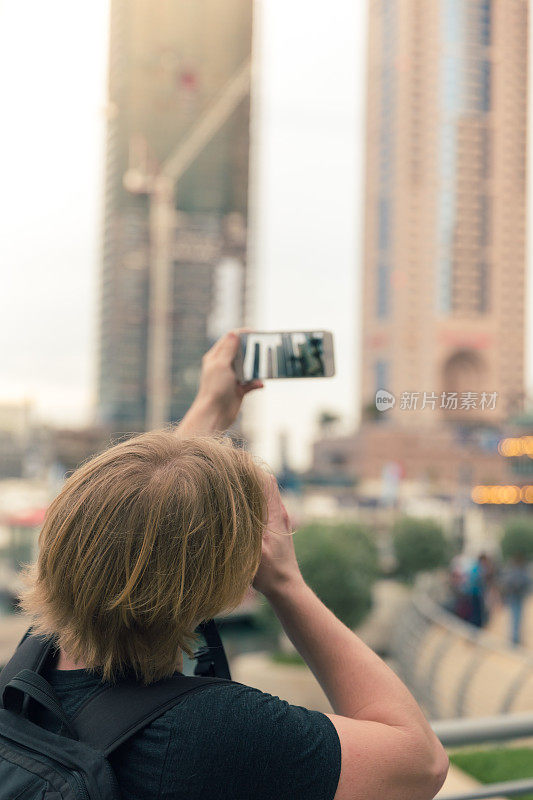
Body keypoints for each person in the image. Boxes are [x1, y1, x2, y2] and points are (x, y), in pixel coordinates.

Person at [17, 332, 448, 800]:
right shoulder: (208, 731)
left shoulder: (31, 668)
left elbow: (135, 525)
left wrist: (209, 407)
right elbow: (420, 764)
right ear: (225, 578)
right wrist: (285, 582)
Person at [500, 553, 531, 646]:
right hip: (515, 597)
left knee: (516, 618)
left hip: (517, 597)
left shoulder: (515, 571)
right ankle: (514, 639)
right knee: (516, 618)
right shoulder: (518, 571)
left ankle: (515, 638)